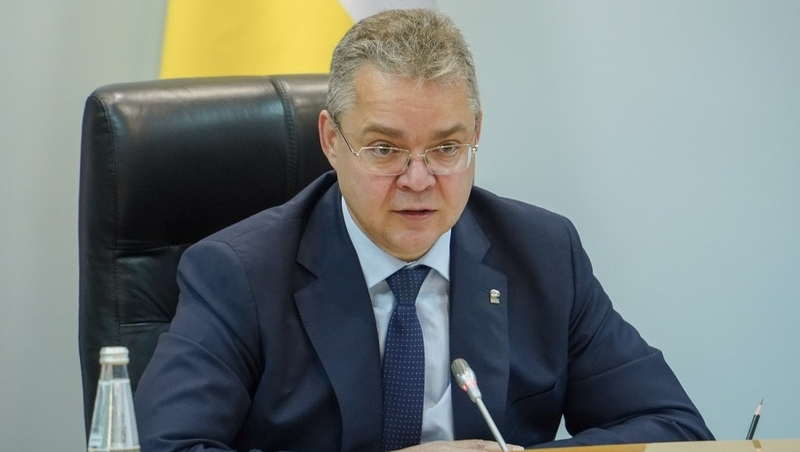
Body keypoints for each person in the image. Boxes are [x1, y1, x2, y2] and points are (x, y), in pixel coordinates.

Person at [134, 8, 714, 452]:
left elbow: (674, 428)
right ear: (332, 140)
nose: (419, 180)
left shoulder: (543, 254)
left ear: (476, 134)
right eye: (385, 149)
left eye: (446, 148)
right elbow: (170, 446)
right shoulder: (239, 273)